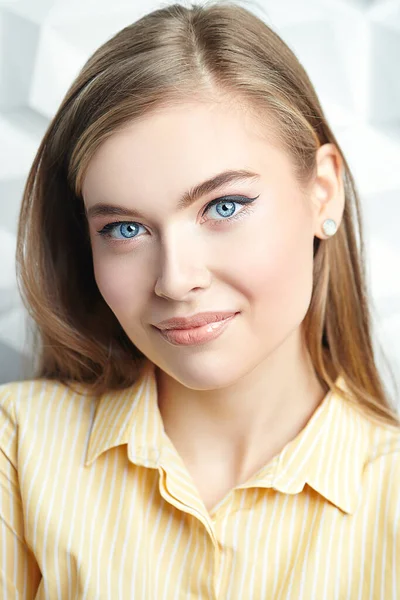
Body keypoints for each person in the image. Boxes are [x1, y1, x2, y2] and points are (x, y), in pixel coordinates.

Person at [1, 1, 400, 597]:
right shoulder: (18, 449)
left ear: (322, 191)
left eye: (224, 207)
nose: (175, 280)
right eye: (124, 229)